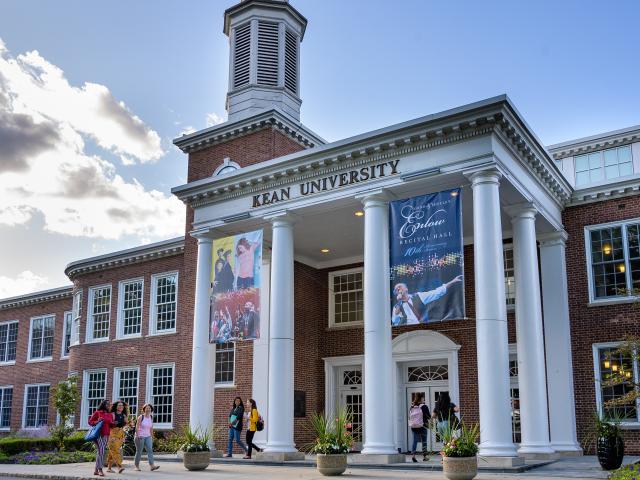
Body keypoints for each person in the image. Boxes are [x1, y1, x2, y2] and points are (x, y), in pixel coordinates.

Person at [391, 275, 463, 325]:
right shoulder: (396, 306)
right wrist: (399, 302)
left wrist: (452, 281)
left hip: (423, 327)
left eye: (399, 287)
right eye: (396, 289)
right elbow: (395, 321)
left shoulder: (418, 296)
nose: (398, 289)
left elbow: (436, 292)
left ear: (406, 289)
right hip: (407, 331)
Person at [88, 399, 116, 477]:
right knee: (101, 450)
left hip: (106, 435)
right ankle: (100, 469)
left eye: (109, 404)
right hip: (98, 434)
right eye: (107, 404)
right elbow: (90, 422)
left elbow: (111, 425)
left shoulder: (110, 414)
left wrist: (113, 423)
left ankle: (96, 470)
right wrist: (97, 421)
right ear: (103, 405)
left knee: (100, 451)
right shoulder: (98, 412)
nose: (109, 406)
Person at [134, 404, 160, 472]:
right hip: (140, 436)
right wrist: (137, 435)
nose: (148, 409)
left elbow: (151, 428)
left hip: (148, 436)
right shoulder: (141, 417)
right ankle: (136, 466)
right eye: (147, 408)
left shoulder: (150, 417)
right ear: (144, 409)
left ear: (151, 410)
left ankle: (152, 466)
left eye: (149, 408)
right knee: (139, 451)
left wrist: (152, 436)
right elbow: (137, 426)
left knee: (150, 450)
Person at [106, 400, 128, 474]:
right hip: (112, 433)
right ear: (116, 407)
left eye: (122, 405)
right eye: (119, 405)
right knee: (115, 450)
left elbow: (126, 425)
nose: (121, 406)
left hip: (120, 434)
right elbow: (108, 424)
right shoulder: (112, 414)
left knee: (112, 450)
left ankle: (109, 468)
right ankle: (119, 466)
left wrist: (124, 434)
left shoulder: (124, 415)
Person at [408, 394, 430, 463]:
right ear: (421, 399)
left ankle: (413, 456)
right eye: (423, 398)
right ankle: (425, 456)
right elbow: (428, 416)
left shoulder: (412, 407)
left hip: (414, 426)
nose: (423, 399)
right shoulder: (424, 406)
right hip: (423, 426)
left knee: (415, 441)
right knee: (424, 441)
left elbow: (410, 417)